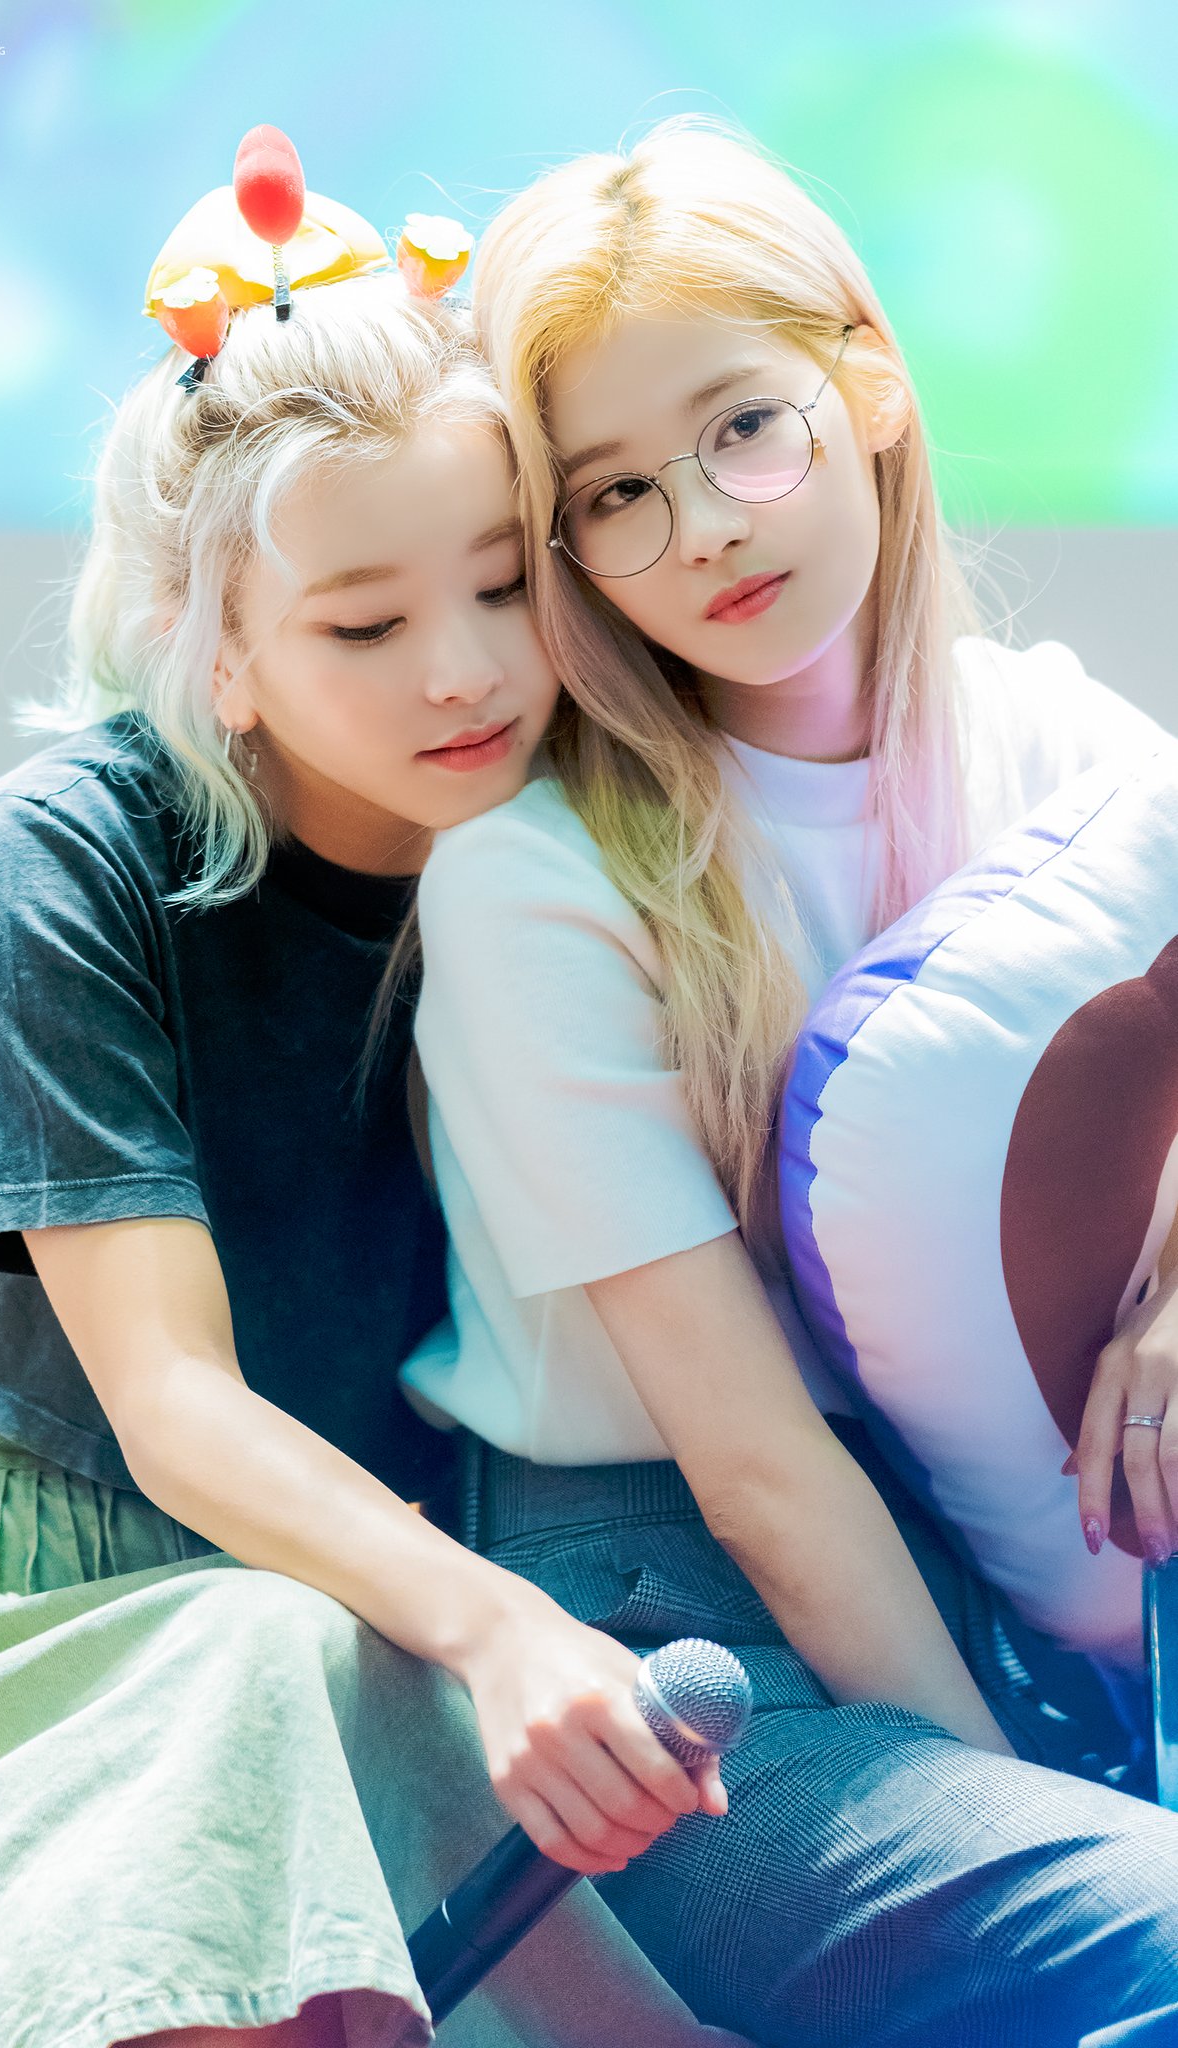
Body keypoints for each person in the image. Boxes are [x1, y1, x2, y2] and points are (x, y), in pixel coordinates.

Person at [0, 141, 731, 2048]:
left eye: (505, 586)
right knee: (278, 1676)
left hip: (355, 1586)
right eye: (364, 626)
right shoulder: (58, 860)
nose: (466, 673)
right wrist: (493, 1623)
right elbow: (173, 1407)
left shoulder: (574, 850)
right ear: (215, 650)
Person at [401, 118, 1178, 2046]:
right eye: (615, 493)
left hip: (1006, 1533)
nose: (703, 530)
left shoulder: (1055, 738)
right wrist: (1056, 1793)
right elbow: (761, 1473)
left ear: (872, 383)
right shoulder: (535, 883)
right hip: (686, 1631)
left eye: (743, 427)